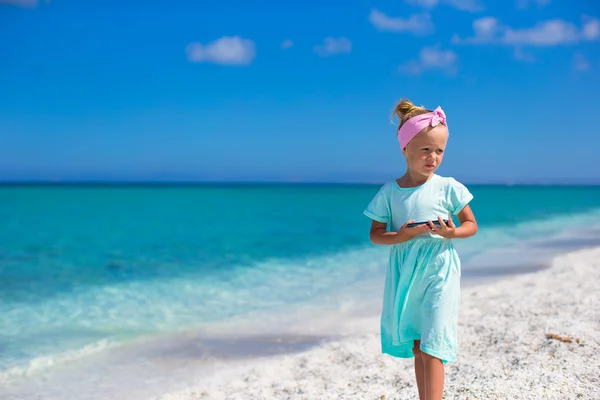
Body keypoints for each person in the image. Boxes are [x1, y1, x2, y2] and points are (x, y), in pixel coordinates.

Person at [363, 98, 478, 400]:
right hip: (407, 273)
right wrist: (400, 236)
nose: (433, 157)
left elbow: (470, 225)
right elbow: (376, 234)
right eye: (425, 149)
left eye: (439, 150)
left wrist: (453, 231)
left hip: (440, 268)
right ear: (405, 149)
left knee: (433, 343)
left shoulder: (448, 187)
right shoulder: (390, 192)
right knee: (417, 344)